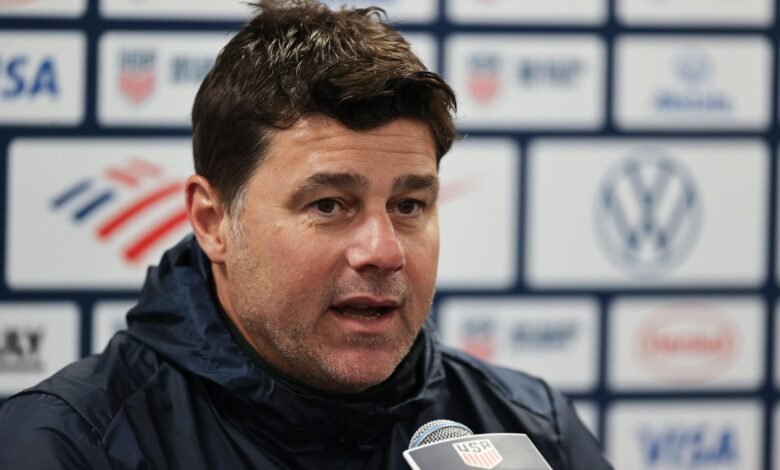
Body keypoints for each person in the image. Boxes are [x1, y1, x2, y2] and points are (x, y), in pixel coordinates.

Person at [0, 1, 612, 468]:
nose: (383, 252)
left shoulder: (533, 431)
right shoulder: (68, 444)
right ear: (213, 222)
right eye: (328, 205)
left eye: (408, 205)